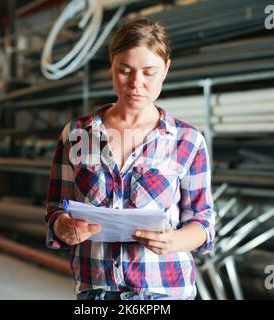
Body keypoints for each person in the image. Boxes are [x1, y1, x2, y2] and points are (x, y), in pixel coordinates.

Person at [45, 19, 215, 300]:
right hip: (96, 291)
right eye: (125, 71)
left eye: (149, 72)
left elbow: (203, 223)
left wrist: (174, 241)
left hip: (164, 290)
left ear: (166, 70)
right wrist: (62, 226)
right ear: (112, 64)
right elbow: (55, 208)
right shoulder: (76, 134)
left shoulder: (187, 140)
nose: (137, 84)